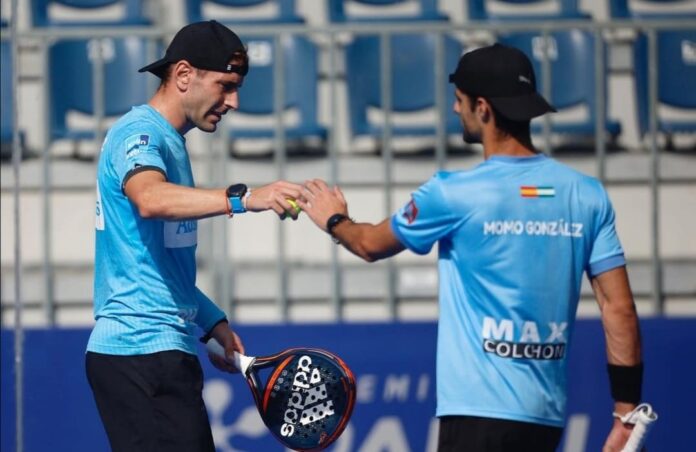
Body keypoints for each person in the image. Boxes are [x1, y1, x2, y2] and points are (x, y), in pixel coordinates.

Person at [297, 44, 643, 452]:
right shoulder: (586, 195)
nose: (455, 111)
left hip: (475, 414)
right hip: (545, 415)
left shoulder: (452, 193)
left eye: (459, 102)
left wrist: (334, 219)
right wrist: (626, 412)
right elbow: (618, 308)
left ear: (483, 108)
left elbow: (370, 244)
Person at [85, 20, 304, 452]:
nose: (234, 102)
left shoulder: (170, 143)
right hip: (140, 354)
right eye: (225, 86)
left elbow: (155, 264)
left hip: (157, 352)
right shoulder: (140, 134)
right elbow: (149, 198)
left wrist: (213, 322)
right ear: (183, 75)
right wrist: (244, 198)